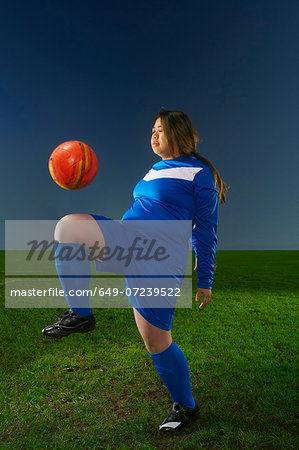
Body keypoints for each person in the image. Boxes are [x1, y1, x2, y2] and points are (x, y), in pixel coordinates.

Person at [42, 109, 229, 432]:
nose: (154, 135)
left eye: (161, 130)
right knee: (69, 227)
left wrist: (206, 277)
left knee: (156, 341)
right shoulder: (155, 168)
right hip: (127, 241)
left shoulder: (199, 173)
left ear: (180, 134)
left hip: (160, 259)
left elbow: (206, 229)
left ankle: (186, 407)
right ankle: (81, 315)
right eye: (152, 130)